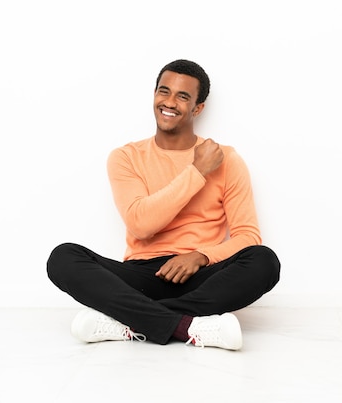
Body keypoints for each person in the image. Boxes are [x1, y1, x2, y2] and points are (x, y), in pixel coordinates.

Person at [47, 59, 280, 350]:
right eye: (164, 91)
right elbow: (141, 224)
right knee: (63, 257)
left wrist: (200, 256)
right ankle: (186, 325)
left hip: (198, 276)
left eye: (183, 96)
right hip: (140, 276)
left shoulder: (226, 159)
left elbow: (248, 237)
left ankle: (129, 321)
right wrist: (196, 172)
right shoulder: (126, 157)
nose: (169, 102)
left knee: (264, 261)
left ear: (198, 108)